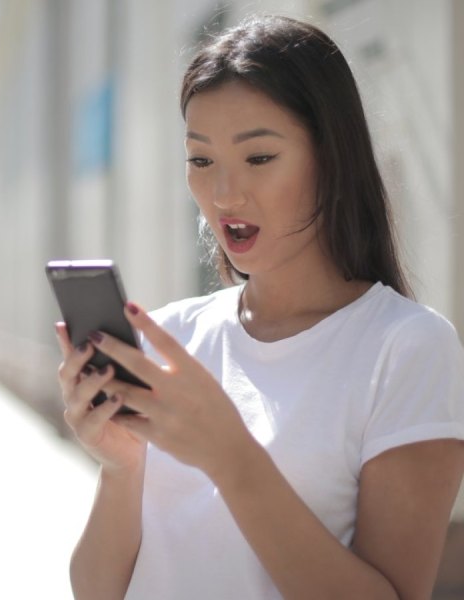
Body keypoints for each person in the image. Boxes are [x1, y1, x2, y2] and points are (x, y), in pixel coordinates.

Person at [55, 14, 464, 600]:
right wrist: (122, 469)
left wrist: (233, 459)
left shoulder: (406, 348)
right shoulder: (171, 335)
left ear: (331, 157)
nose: (224, 195)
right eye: (201, 160)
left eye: (260, 158)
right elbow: (95, 591)